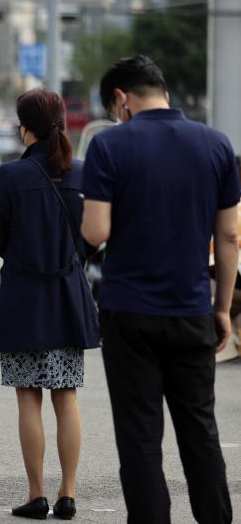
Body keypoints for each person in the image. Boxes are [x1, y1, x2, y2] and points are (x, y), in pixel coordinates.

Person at [81, 55, 237, 524]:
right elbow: (229, 236)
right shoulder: (216, 144)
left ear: (121, 100)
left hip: (129, 312)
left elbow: (95, 230)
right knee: (200, 431)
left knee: (140, 437)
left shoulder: (110, 146)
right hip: (192, 310)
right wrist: (222, 308)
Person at [0, 89, 99, 520]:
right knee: (66, 397)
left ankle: (36, 495)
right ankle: (68, 493)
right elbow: (93, 235)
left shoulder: (12, 176)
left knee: (28, 397)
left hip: (23, 298)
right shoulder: (83, 173)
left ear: (25, 126)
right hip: (69, 295)